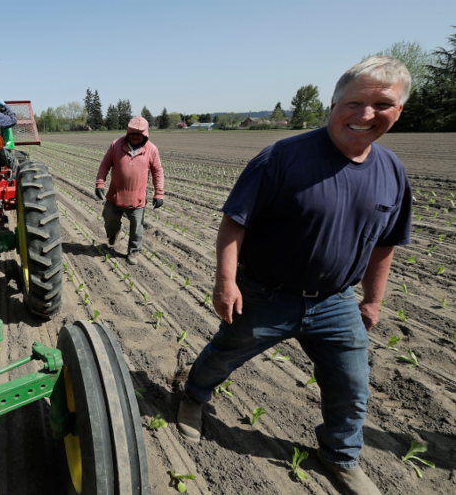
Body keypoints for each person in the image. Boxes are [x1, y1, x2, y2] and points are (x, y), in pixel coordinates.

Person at [177, 56, 412, 495]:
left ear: (398, 111)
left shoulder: (392, 172)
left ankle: (341, 455)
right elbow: (235, 222)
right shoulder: (283, 157)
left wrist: (373, 299)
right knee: (226, 352)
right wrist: (226, 282)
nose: (365, 115)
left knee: (351, 383)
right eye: (354, 102)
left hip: (337, 301)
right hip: (267, 293)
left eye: (382, 104)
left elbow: (385, 244)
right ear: (333, 103)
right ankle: (193, 397)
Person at [95, 116, 164, 265]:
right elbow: (105, 164)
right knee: (108, 217)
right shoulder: (116, 145)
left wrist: (159, 193)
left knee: (137, 228)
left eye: (138, 134)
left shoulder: (151, 149)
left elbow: (158, 172)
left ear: (145, 134)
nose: (134, 136)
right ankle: (114, 232)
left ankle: (133, 251)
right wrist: (100, 183)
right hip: (115, 195)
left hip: (137, 198)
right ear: (127, 132)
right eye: (132, 132)